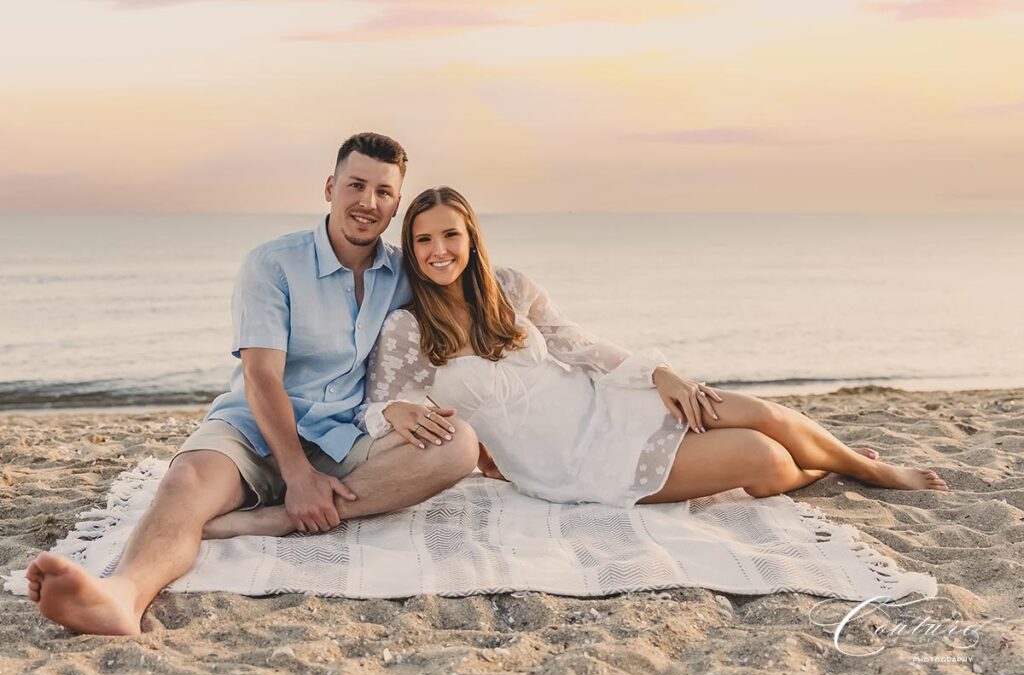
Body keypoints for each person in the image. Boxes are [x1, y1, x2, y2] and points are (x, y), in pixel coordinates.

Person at [206, 185, 948, 534]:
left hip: (607, 405)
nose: (436, 251)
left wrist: (659, 371)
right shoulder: (406, 327)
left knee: (753, 409)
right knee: (759, 457)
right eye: (424, 239)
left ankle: (868, 468)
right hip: (568, 462)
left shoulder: (513, 289)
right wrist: (391, 408)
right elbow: (379, 399)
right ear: (415, 246)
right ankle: (824, 468)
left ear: (471, 239)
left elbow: (578, 346)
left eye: (450, 236)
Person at [25, 135, 480, 636]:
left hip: (347, 434)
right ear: (330, 188)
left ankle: (275, 519)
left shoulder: (404, 272)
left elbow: (477, 307)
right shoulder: (273, 264)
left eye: (383, 192)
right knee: (185, 484)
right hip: (253, 427)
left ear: (397, 204)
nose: (368, 202)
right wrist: (299, 475)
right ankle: (122, 595)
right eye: (356, 185)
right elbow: (261, 376)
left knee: (457, 446)